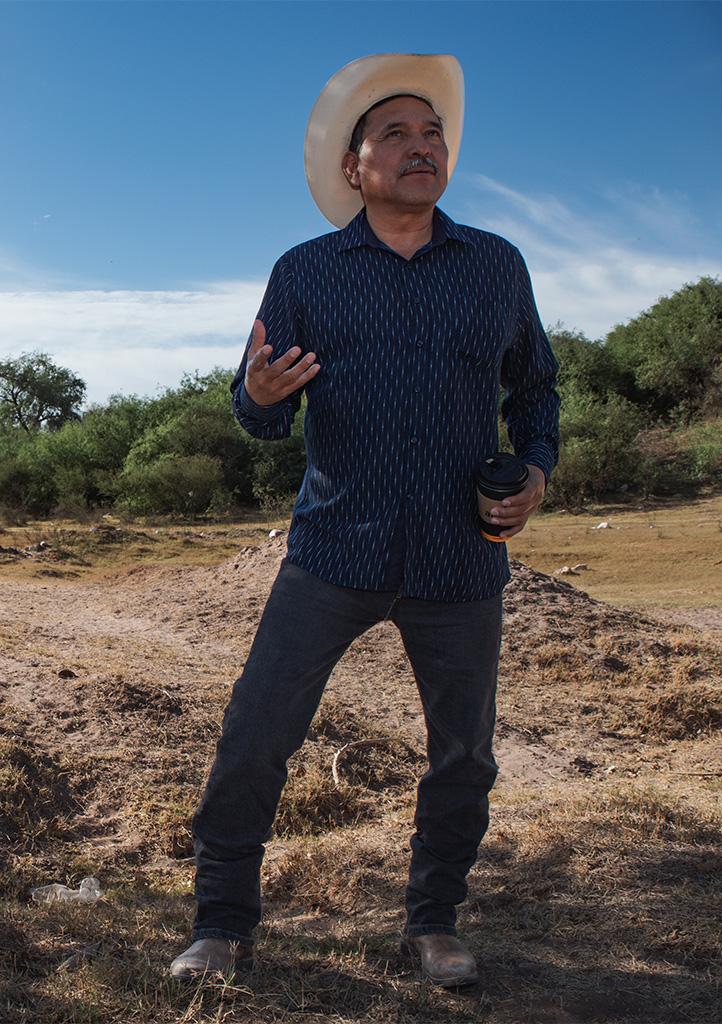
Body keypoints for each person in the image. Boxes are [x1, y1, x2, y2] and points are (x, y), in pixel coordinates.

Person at [168, 53, 560, 988]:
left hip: (462, 556)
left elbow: (536, 386)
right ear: (355, 167)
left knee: (463, 753)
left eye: (433, 134)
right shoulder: (305, 272)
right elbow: (258, 413)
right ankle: (221, 927)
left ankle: (432, 925)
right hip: (334, 547)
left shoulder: (496, 267)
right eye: (396, 134)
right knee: (256, 735)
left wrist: (535, 471)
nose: (420, 148)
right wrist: (257, 393)